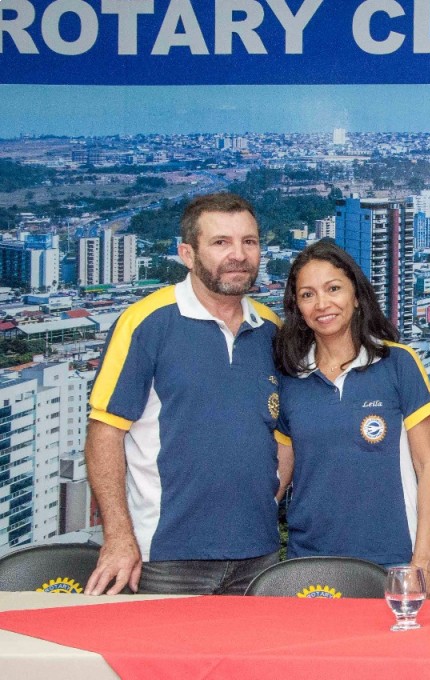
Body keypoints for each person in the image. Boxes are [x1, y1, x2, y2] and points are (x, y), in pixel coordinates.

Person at [85, 192, 288, 595]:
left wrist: (264, 505)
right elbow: (104, 434)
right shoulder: (146, 322)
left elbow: (283, 436)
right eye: (221, 242)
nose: (238, 255)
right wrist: (119, 536)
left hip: (259, 554)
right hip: (166, 556)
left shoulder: (270, 329)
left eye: (249, 241)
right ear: (187, 254)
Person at [273, 239, 430, 594]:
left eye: (333, 288)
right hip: (310, 560)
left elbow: (429, 466)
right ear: (297, 307)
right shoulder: (290, 377)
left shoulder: (397, 364)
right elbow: (280, 473)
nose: (322, 304)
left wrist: (424, 561)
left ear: (356, 295)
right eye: (307, 295)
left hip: (392, 560)